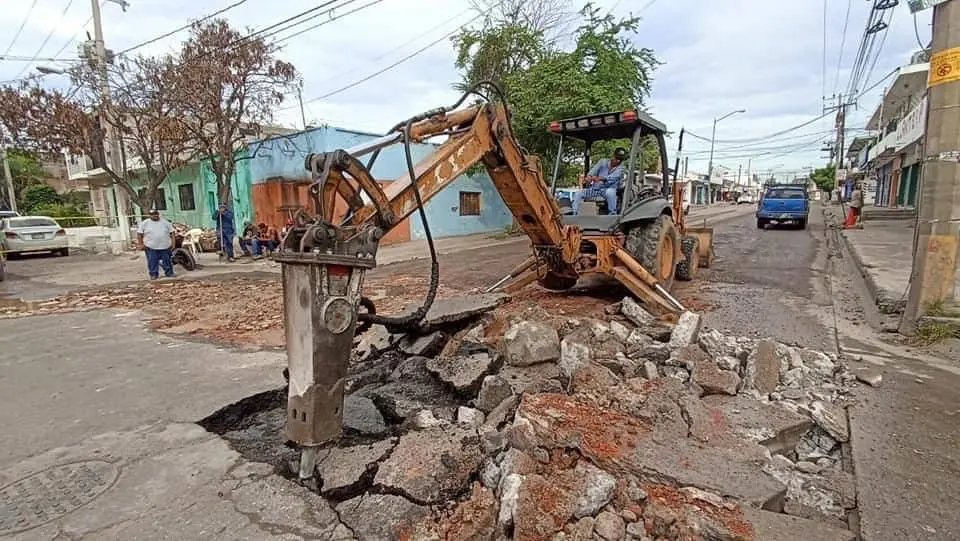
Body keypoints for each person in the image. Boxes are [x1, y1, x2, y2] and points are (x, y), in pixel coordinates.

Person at [572, 148, 627, 215]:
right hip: (595, 189)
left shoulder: (621, 168)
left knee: (610, 192)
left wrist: (599, 178)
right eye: (617, 158)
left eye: (620, 160)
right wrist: (589, 177)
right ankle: (574, 214)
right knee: (578, 193)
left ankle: (612, 215)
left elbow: (611, 178)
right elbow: (592, 172)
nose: (618, 161)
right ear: (613, 155)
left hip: (607, 191)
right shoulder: (602, 162)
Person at [136, 209, 176, 280]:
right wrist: (141, 244)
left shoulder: (165, 222)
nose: (155, 216)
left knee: (167, 260)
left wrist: (173, 244)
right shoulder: (145, 223)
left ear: (158, 214)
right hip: (151, 247)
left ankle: (169, 273)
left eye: (156, 214)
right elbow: (139, 234)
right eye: (152, 214)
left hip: (165, 246)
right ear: (150, 215)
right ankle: (153, 274)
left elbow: (172, 233)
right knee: (152, 261)